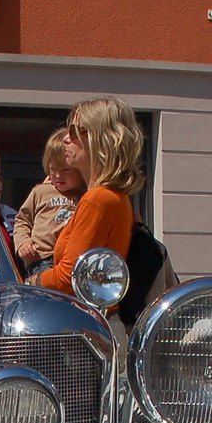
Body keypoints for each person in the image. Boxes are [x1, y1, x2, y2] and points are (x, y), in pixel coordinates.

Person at [34, 96, 146, 294]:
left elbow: (69, 277)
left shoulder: (97, 199)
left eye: (77, 132)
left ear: (102, 140)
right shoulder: (114, 197)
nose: (67, 138)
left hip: (82, 318)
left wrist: (30, 281)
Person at [13, 132, 84, 275]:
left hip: (74, 261)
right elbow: (22, 221)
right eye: (53, 169)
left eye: (66, 170)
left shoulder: (86, 195)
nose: (58, 175)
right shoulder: (41, 191)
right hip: (42, 259)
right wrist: (23, 243)